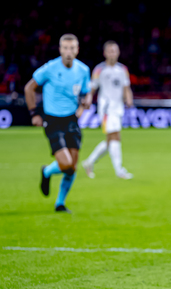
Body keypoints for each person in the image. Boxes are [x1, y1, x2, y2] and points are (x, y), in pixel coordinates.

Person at [24, 34, 92, 213]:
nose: (68, 52)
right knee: (66, 165)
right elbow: (29, 87)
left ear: (77, 50)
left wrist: (86, 100)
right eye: (65, 48)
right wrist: (34, 113)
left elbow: (87, 92)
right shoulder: (50, 68)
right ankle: (46, 171)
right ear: (60, 49)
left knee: (72, 168)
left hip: (72, 120)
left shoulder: (83, 70)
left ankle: (60, 203)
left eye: (72, 48)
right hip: (53, 121)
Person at [82, 41, 133, 180]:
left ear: (118, 53)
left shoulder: (122, 69)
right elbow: (92, 87)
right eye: (110, 51)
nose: (112, 53)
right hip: (106, 109)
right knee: (115, 137)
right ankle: (119, 170)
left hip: (118, 108)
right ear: (105, 53)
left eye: (114, 51)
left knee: (112, 140)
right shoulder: (99, 69)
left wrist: (129, 99)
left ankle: (89, 162)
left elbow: (126, 87)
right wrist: (88, 98)